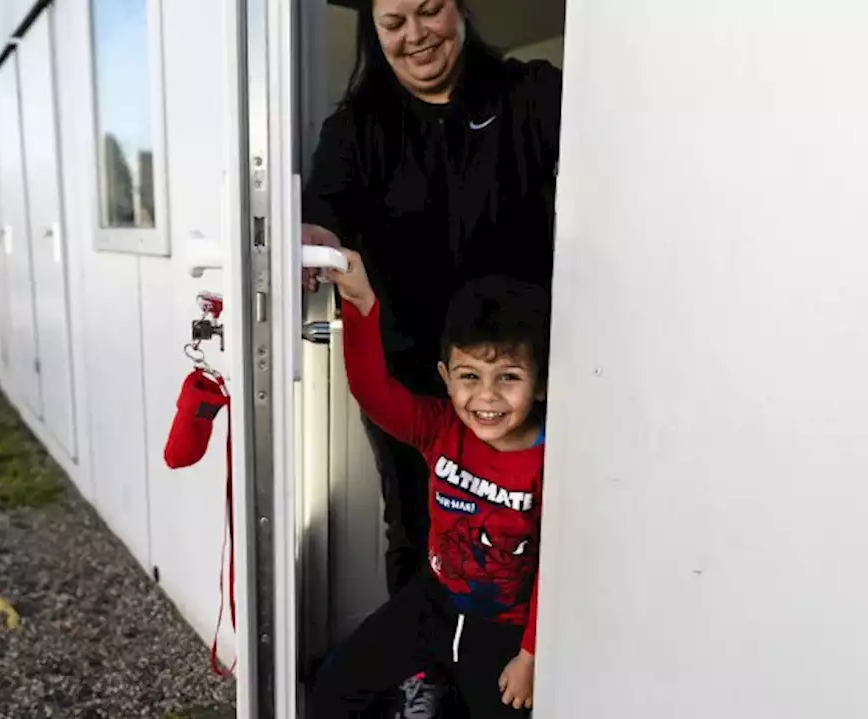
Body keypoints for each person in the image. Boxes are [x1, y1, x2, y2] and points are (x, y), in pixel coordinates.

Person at [300, 1, 561, 706]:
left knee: (537, 522)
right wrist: (315, 241)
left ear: (460, 9)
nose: (415, 34)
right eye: (393, 22)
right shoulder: (356, 128)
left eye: (430, 9)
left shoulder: (529, 94)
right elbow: (321, 212)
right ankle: (425, 673)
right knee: (415, 521)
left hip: (521, 378)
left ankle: (516, 665)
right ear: (373, 32)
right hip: (415, 375)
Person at [309, 252, 550, 719]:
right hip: (432, 604)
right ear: (445, 378)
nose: (486, 396)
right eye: (469, 377)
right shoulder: (439, 428)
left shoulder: (552, 461)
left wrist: (532, 655)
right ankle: (429, 678)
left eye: (509, 378)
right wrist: (360, 304)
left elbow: (557, 569)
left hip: (506, 631)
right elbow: (373, 392)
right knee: (335, 687)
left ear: (539, 385)